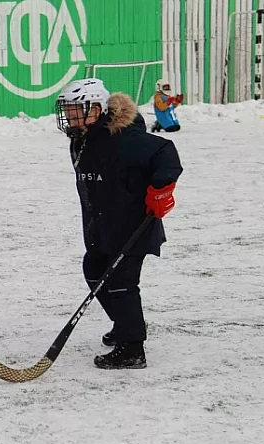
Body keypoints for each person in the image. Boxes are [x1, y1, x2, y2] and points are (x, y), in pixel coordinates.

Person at [55, 78, 183, 369]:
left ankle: (132, 348)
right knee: (94, 270)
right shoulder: (83, 138)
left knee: (121, 283)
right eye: (69, 110)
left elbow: (165, 152)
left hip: (132, 225)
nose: (71, 116)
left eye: (78, 110)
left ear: (98, 109)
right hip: (102, 226)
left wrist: (160, 191)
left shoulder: (124, 137)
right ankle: (124, 324)